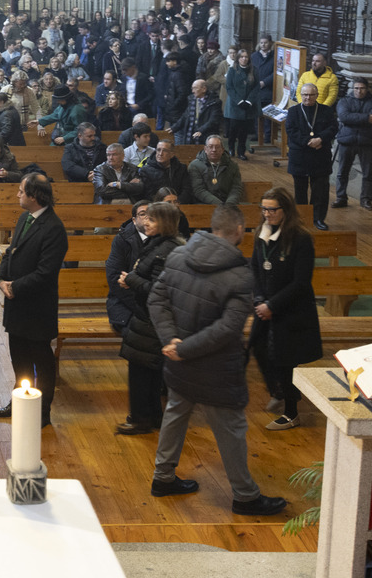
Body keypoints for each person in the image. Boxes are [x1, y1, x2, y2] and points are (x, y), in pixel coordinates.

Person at [148, 204, 288, 516]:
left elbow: (156, 299)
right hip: (215, 369)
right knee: (231, 429)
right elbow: (227, 330)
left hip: (180, 362)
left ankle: (163, 477)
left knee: (175, 413)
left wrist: (173, 342)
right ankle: (245, 496)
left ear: (212, 228)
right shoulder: (240, 275)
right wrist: (181, 348)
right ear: (239, 231)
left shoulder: (177, 256)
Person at [0, 173, 68, 424]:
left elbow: (46, 273)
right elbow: (11, 254)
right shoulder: (25, 217)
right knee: (19, 358)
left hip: (37, 307)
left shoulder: (54, 228)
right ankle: (19, 402)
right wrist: (1, 280)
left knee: (41, 360)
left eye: (21, 191)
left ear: (34, 196)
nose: (17, 194)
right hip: (17, 305)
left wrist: (14, 287)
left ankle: (42, 412)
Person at [249, 187, 321, 431]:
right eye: (264, 209)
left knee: (284, 360)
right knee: (258, 348)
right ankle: (278, 391)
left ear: (286, 210)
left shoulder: (300, 238)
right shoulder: (262, 232)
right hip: (266, 306)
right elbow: (256, 268)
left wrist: (272, 305)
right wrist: (259, 299)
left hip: (290, 309)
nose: (267, 214)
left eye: (272, 209)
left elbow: (301, 283)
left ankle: (292, 412)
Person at [115, 201, 184, 435]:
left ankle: (140, 419)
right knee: (149, 372)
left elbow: (158, 289)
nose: (145, 222)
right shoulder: (159, 244)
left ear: (164, 223)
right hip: (147, 318)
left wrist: (130, 280)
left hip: (151, 319)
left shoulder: (166, 250)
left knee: (141, 372)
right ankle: (153, 416)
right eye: (146, 218)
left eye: (151, 219)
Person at [285, 83, 337, 230]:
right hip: (300, 156)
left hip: (320, 157)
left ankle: (318, 218)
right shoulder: (294, 111)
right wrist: (309, 141)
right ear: (301, 95)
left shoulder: (326, 111)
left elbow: (333, 128)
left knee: (320, 191)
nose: (308, 97)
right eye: (305, 95)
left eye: (311, 95)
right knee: (300, 191)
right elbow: (291, 129)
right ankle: (301, 219)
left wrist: (320, 139)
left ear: (316, 95)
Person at [333, 77, 372, 212]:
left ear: (367, 89)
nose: (359, 91)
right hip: (347, 140)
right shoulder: (344, 101)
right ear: (352, 88)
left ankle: (365, 199)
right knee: (343, 171)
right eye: (356, 88)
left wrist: (353, 118)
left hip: (367, 142)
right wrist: (366, 118)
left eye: (362, 88)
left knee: (368, 173)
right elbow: (343, 117)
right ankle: (341, 197)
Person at [106, 201, 150, 334]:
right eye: (142, 214)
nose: (148, 217)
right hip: (124, 303)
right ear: (134, 220)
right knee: (137, 333)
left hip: (153, 303)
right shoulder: (122, 240)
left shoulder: (161, 239)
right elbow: (114, 278)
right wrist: (141, 307)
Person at [223, 49, 259, 160]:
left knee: (244, 131)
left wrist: (248, 101)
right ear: (238, 58)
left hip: (248, 105)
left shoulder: (254, 70)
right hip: (235, 105)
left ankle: (241, 151)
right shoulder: (232, 70)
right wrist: (239, 101)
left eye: (246, 57)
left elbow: (256, 87)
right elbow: (229, 87)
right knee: (233, 129)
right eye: (242, 57)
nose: (244, 59)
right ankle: (231, 148)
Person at [188, 136, 243, 205]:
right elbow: (198, 190)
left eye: (217, 147)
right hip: (203, 204)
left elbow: (236, 188)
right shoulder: (195, 165)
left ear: (222, 149)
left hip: (228, 204)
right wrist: (220, 205)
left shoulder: (232, 165)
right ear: (205, 149)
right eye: (210, 147)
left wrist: (229, 204)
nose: (214, 150)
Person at [168, 79, 222, 146]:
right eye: (192, 88)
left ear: (204, 89)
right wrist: (174, 127)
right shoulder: (191, 100)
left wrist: (201, 130)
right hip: (191, 134)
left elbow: (213, 120)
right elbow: (185, 116)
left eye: (195, 88)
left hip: (206, 135)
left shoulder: (214, 102)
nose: (192, 91)